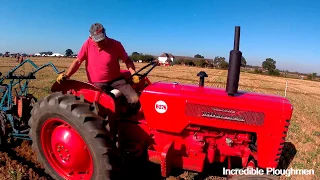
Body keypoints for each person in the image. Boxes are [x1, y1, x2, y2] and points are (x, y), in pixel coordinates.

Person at [56, 22, 140, 114]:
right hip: (97, 83)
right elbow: (78, 61)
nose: (100, 42)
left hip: (116, 80)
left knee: (134, 98)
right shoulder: (87, 44)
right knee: (100, 108)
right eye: (97, 40)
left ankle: (127, 119)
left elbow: (127, 60)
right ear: (91, 37)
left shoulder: (116, 45)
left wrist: (133, 73)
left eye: (102, 39)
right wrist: (67, 75)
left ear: (105, 34)